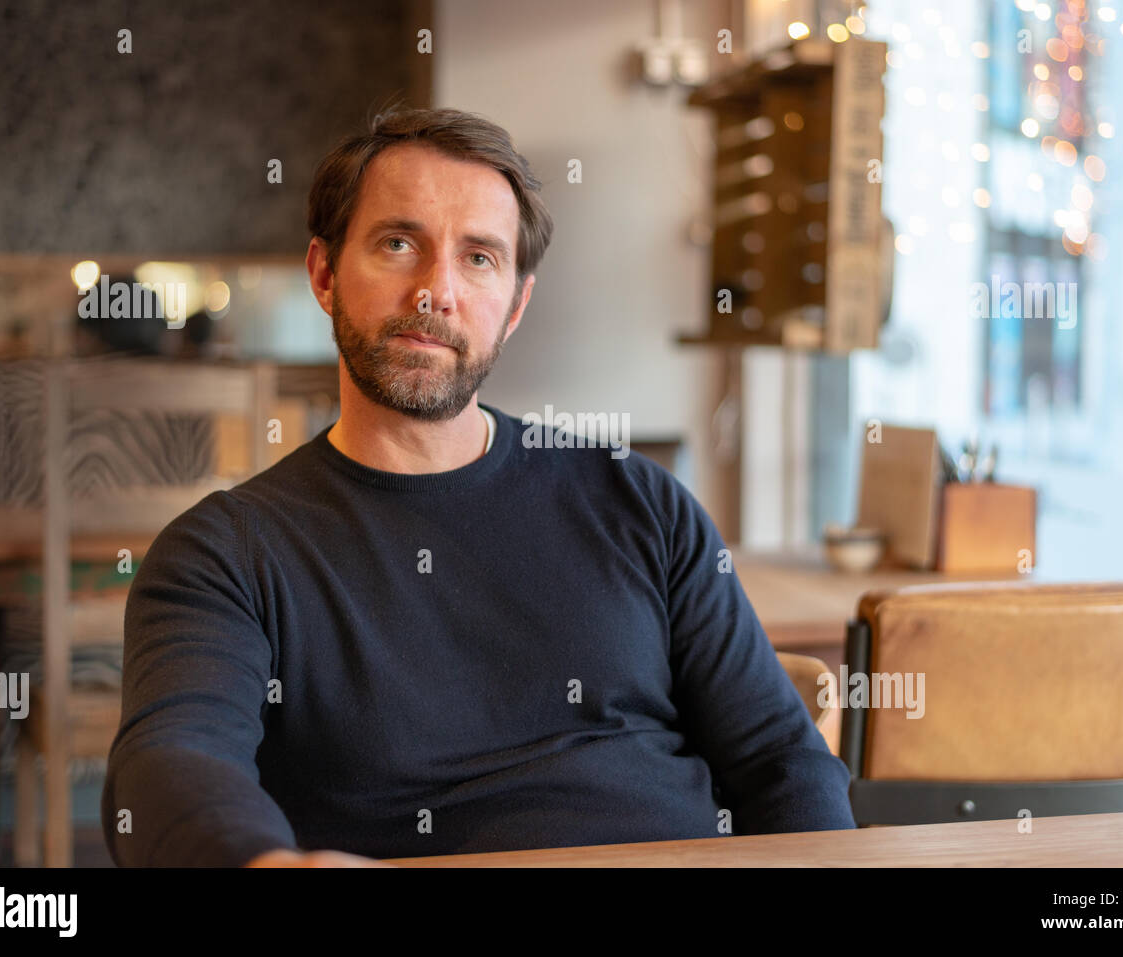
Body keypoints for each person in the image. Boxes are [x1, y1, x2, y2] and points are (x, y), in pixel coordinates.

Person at [101, 106, 856, 867]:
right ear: (325, 275)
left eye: (480, 258)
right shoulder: (226, 552)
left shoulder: (641, 503)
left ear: (516, 305)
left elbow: (781, 760)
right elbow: (169, 764)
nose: (438, 291)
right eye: (399, 244)